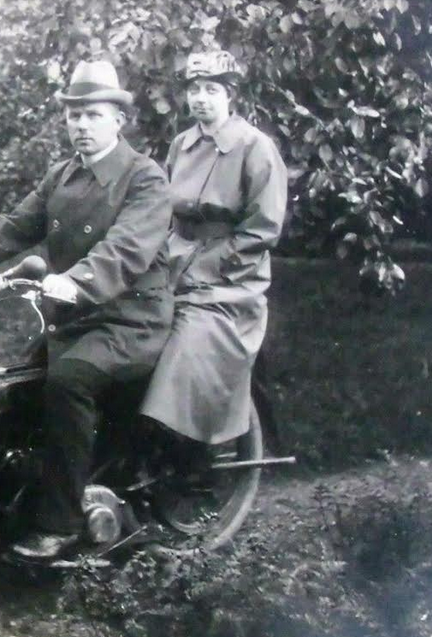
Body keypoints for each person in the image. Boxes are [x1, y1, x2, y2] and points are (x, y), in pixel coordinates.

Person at [0, 61, 174, 558]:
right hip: (75, 316)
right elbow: (7, 231)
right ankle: (14, 499)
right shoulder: (62, 176)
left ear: (119, 118)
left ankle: (61, 522)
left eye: (93, 115)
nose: (81, 125)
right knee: (5, 393)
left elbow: (125, 249)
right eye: (73, 115)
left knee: (68, 380)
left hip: (130, 322)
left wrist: (72, 282)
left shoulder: (145, 178)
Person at [141, 50, 287, 450]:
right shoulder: (181, 145)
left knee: (190, 340)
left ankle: (186, 448)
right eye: (193, 90)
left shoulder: (254, 147)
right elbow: (164, 212)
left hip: (231, 276)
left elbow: (263, 227)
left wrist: (213, 264)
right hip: (175, 258)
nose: (200, 98)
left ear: (230, 96)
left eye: (211, 90)